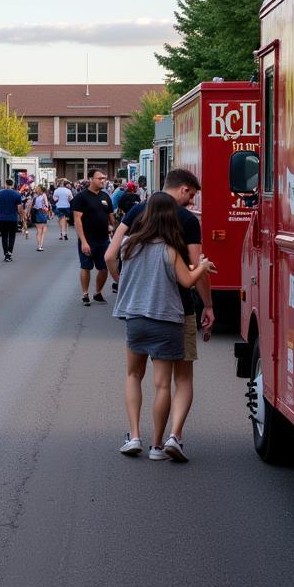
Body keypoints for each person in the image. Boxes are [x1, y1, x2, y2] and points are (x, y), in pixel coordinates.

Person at [105, 167, 215, 460]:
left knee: (133, 374)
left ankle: (134, 436)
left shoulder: (132, 228)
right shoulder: (185, 227)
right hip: (175, 312)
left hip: (136, 313)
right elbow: (192, 272)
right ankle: (168, 440)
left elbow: (108, 256)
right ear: (182, 190)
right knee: (176, 380)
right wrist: (209, 305)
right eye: (191, 195)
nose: (191, 202)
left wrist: (126, 284)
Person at [70, 168, 114, 306]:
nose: (103, 181)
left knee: (104, 268)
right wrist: (83, 241)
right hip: (88, 239)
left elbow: (111, 218)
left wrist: (114, 229)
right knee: (86, 267)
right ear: (90, 179)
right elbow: (77, 220)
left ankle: (98, 292)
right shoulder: (81, 197)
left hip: (104, 240)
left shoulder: (106, 197)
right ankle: (85, 294)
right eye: (99, 178)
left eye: (104, 178)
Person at [0, 179, 23, 261]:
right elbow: (20, 208)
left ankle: (6, 253)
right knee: (12, 236)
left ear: (5, 184)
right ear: (12, 185)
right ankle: (9, 253)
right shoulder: (17, 194)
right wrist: (21, 217)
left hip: (2, 218)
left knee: (4, 236)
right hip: (13, 218)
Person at [31, 183, 52, 251]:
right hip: (42, 213)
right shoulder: (44, 195)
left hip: (36, 212)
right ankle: (40, 245)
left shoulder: (34, 196)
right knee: (43, 231)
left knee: (38, 230)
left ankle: (39, 245)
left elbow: (31, 205)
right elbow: (46, 205)